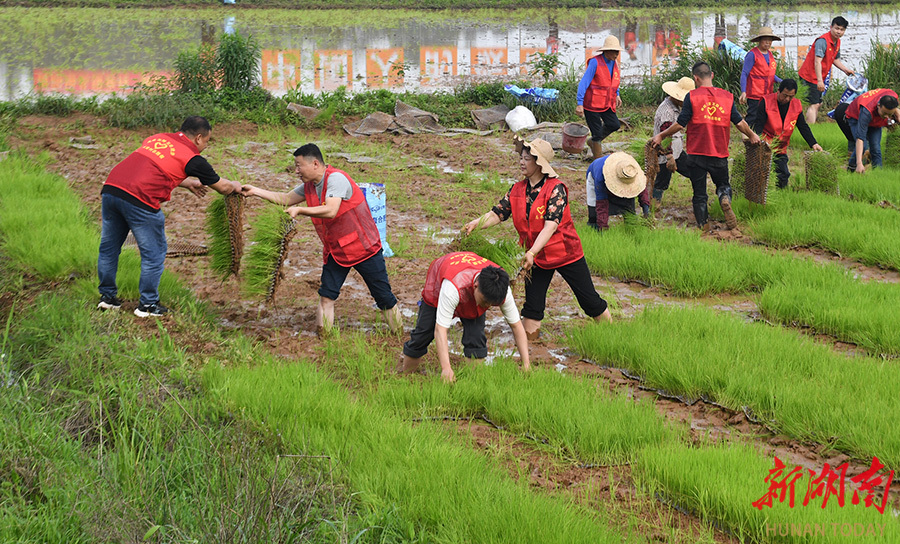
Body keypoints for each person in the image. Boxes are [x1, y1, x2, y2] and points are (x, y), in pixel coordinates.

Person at [240, 144, 402, 334]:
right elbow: (285, 198)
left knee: (384, 299)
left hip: (363, 248)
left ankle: (399, 336)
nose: (296, 171)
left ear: (315, 163)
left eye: (299, 166)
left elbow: (331, 210)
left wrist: (300, 210)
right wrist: (255, 191)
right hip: (337, 250)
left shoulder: (336, 179)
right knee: (326, 296)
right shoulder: (309, 186)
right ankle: (323, 338)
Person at [463, 137, 612, 341]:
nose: (522, 162)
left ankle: (612, 334)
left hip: (566, 253)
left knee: (589, 301)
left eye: (527, 159)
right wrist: (475, 223)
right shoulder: (516, 190)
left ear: (539, 163)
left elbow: (551, 225)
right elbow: (497, 213)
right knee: (532, 307)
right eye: (521, 158)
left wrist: (532, 251)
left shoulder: (556, 189)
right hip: (537, 257)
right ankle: (530, 346)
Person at [97, 116, 241, 317]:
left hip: (111, 190)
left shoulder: (158, 138)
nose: (205, 146)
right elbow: (223, 188)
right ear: (199, 138)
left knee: (109, 248)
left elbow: (154, 166)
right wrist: (235, 186)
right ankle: (147, 305)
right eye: (207, 141)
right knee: (154, 254)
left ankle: (107, 299)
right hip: (140, 198)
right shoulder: (194, 158)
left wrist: (186, 182)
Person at [651, 61, 761, 232]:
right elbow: (739, 123)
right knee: (723, 184)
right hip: (719, 152)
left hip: (696, 154)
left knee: (699, 194)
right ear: (712, 76)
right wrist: (753, 135)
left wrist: (661, 135)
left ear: (696, 78)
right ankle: (724, 198)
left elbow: (680, 124)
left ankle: (704, 226)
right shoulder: (727, 96)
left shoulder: (692, 97)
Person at [397, 252, 530, 383]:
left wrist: (526, 364)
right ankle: (407, 376)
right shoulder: (451, 288)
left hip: (470, 280)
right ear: (476, 286)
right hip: (443, 279)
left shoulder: (500, 287)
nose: (488, 306)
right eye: (485, 302)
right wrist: (446, 368)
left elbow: (516, 326)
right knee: (423, 334)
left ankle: (473, 381)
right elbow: (440, 329)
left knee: (476, 337)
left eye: (492, 304)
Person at [752, 79, 824, 188]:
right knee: (760, 175)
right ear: (778, 91)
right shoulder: (766, 102)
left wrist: (813, 143)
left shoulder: (796, 105)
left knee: (783, 175)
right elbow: (758, 125)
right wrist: (757, 144)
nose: (787, 99)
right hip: (765, 145)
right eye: (785, 95)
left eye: (791, 96)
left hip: (781, 146)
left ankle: (781, 196)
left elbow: (803, 126)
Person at [798, 16, 855, 124]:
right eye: (837, 28)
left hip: (818, 76)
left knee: (818, 104)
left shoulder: (837, 42)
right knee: (814, 104)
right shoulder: (822, 41)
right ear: (831, 27)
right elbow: (817, 62)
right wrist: (820, 81)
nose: (839, 32)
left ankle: (808, 126)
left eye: (842, 30)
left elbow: (835, 59)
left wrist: (845, 70)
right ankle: (810, 130)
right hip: (810, 76)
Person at [576, 35, 622, 160]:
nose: (617, 54)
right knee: (596, 133)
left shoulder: (615, 63)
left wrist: (617, 94)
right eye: (614, 51)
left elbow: (613, 80)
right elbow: (584, 82)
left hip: (607, 103)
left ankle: (593, 142)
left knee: (614, 124)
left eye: (618, 51)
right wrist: (580, 103)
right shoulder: (595, 62)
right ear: (607, 51)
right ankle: (597, 160)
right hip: (592, 104)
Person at [833, 89, 900, 173]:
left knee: (876, 148)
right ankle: (851, 169)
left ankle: (878, 174)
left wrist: (897, 113)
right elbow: (860, 138)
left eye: (889, 114)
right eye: (884, 113)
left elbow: (893, 109)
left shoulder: (892, 96)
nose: (887, 117)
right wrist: (859, 163)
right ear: (878, 105)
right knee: (864, 146)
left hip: (875, 119)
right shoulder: (866, 111)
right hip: (855, 117)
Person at [651, 76, 694, 205]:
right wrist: (669, 157)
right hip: (666, 152)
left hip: (677, 150)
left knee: (692, 171)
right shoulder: (667, 111)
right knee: (662, 181)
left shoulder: (674, 107)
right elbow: (665, 135)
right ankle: (653, 206)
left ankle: (698, 198)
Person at [586, 152, 648, 230]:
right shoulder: (600, 177)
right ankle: (594, 230)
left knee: (629, 210)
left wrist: (646, 210)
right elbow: (601, 203)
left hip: (624, 177)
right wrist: (603, 227)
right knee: (594, 216)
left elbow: (642, 189)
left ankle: (631, 230)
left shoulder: (632, 170)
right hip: (594, 177)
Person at [739, 26, 783, 128]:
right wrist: (743, 91)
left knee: (763, 117)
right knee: (752, 117)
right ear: (759, 40)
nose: (767, 42)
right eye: (765, 40)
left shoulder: (770, 55)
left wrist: (783, 82)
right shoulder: (752, 54)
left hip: (767, 94)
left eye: (770, 40)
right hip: (754, 93)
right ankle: (746, 137)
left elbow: (770, 75)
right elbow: (744, 73)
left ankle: (758, 138)